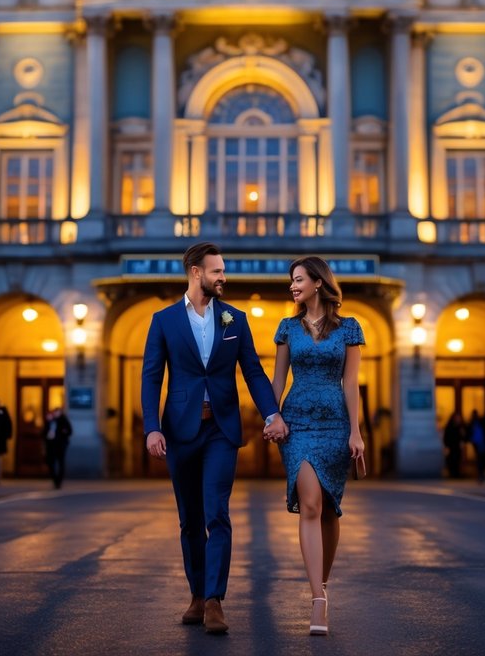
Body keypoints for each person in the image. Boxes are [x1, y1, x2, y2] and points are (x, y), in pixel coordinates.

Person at [141, 242, 287, 636]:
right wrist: (152, 427)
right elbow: (152, 376)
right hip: (180, 431)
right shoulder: (164, 320)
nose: (223, 277)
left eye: (223, 270)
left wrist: (272, 413)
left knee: (217, 513)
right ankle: (196, 594)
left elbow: (253, 372)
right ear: (195, 272)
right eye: (217, 271)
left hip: (222, 430)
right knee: (189, 519)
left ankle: (214, 600)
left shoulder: (235, 320)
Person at [271, 256, 365, 636]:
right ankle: (318, 600)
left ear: (317, 283)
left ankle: (322, 583)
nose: (292, 286)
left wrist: (356, 432)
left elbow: (351, 384)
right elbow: (276, 380)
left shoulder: (349, 328)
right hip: (297, 424)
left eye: (298, 279)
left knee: (329, 509)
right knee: (310, 503)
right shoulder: (287, 328)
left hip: (336, 425)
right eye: (292, 281)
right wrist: (270, 416)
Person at [44, 407, 73, 489]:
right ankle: (55, 479)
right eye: (55, 412)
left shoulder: (64, 420)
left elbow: (69, 431)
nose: (56, 414)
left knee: (61, 462)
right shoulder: (50, 421)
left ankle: (59, 481)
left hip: (60, 445)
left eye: (57, 412)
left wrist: (63, 433)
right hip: (51, 445)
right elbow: (44, 432)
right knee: (50, 463)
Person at [468, 410, 485, 484]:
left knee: (480, 458)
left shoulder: (476, 422)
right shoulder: (479, 423)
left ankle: (481, 474)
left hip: (478, 443)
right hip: (480, 443)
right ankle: (481, 474)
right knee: (481, 458)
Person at [442, 412, 464, 479]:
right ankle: (452, 473)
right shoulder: (449, 426)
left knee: (457, 460)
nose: (458, 419)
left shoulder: (460, 427)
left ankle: (456, 474)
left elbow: (462, 437)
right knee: (451, 460)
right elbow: (446, 437)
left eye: (459, 418)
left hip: (457, 447)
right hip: (451, 447)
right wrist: (446, 446)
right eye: (457, 418)